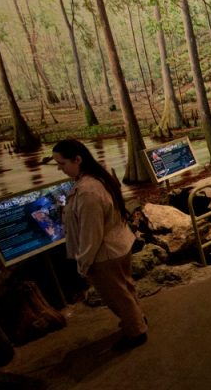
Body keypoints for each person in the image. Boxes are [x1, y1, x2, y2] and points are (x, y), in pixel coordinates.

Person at [52, 139, 148, 350]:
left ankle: (136, 332)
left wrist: (84, 263)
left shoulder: (87, 192)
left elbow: (91, 233)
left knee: (117, 296)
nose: (60, 169)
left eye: (62, 164)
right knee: (125, 289)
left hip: (105, 254)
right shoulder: (98, 178)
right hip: (119, 244)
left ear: (77, 159)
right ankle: (138, 318)